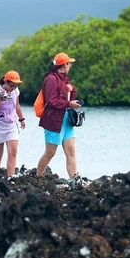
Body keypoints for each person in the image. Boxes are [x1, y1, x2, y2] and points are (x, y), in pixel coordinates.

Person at [36, 52, 83, 190]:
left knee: (71, 151)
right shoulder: (51, 79)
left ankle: (74, 181)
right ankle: (37, 178)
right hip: (53, 121)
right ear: (65, 64)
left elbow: (69, 97)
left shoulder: (64, 79)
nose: (70, 66)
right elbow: (51, 101)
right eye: (69, 63)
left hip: (66, 120)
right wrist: (69, 104)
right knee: (50, 152)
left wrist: (72, 89)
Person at [0, 70, 26, 177]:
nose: (13, 88)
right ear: (5, 81)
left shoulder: (16, 91)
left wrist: (21, 119)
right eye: (11, 85)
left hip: (11, 125)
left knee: (13, 151)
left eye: (16, 85)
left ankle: (10, 177)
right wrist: (0, 99)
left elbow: (17, 105)